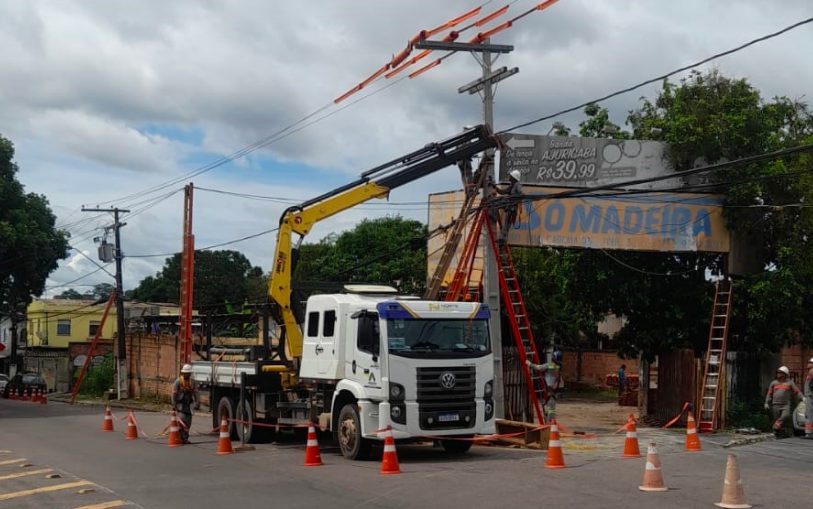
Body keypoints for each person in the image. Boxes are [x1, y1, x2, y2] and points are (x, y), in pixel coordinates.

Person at [764, 366, 803, 439]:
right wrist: (766, 402)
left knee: (785, 416)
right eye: (778, 372)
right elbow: (769, 393)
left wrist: (802, 397)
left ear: (785, 374)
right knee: (777, 419)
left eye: (780, 373)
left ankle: (776, 429)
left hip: (785, 405)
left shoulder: (790, 383)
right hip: (775, 404)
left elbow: (797, 391)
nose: (778, 374)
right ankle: (778, 434)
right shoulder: (773, 383)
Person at [526, 350, 564, 420]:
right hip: (554, 390)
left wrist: (530, 364)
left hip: (550, 389)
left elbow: (539, 368)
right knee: (551, 407)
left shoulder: (550, 365)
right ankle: (550, 420)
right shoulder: (557, 367)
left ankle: (550, 421)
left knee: (550, 407)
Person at [494, 169, 524, 243]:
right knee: (506, 223)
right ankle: (502, 239)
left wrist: (513, 197)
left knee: (506, 224)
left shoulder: (517, 185)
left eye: (510, 176)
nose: (509, 177)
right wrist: (495, 187)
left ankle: (503, 239)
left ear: (514, 177)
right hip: (509, 206)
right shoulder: (512, 186)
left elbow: (521, 194)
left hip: (512, 208)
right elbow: (503, 192)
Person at [172, 364, 199, 444]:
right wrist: (174, 404)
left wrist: (197, 402)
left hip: (189, 405)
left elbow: (196, 393)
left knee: (188, 423)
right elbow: (174, 394)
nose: (187, 374)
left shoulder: (192, 382)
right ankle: (179, 437)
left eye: (188, 373)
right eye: (186, 373)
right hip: (180, 405)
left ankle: (185, 438)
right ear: (183, 373)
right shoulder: (178, 381)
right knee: (181, 422)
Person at [804, 357, 813, 439]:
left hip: (810, 396)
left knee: (809, 414)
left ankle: (809, 433)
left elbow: (809, 385)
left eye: (810, 362)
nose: (808, 364)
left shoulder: (811, 371)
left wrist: (807, 394)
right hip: (810, 395)